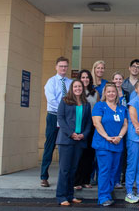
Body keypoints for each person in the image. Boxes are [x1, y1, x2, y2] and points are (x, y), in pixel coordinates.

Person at [55, 80, 92, 206]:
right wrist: (71, 133)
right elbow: (60, 118)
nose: (78, 88)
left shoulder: (86, 104)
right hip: (66, 140)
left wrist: (84, 134)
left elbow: (88, 122)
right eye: (75, 86)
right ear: (72, 88)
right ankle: (61, 196)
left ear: (83, 88)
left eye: (80, 86)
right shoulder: (65, 100)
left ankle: (70, 195)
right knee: (64, 170)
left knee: (73, 170)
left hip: (79, 141)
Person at [92, 83, 128, 207]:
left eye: (113, 91)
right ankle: (103, 197)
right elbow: (97, 123)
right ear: (105, 93)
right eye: (109, 91)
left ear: (117, 93)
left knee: (114, 171)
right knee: (105, 170)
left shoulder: (121, 108)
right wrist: (107, 137)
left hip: (117, 144)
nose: (111, 93)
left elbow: (125, 125)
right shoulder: (99, 106)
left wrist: (119, 137)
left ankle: (109, 192)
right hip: (103, 144)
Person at [41, 56, 72, 188]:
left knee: (65, 148)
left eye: (65, 66)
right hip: (54, 116)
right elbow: (51, 100)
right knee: (50, 145)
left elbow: (73, 99)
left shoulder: (71, 82)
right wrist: (64, 109)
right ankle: (44, 176)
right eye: (61, 66)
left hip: (67, 119)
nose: (63, 68)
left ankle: (64, 177)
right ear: (56, 67)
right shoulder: (51, 82)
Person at [74, 70, 99, 190]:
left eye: (87, 77)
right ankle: (77, 181)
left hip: (92, 126)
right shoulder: (77, 91)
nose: (85, 79)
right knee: (79, 155)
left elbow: (98, 109)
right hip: (80, 126)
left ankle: (86, 180)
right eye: (82, 77)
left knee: (90, 154)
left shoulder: (95, 93)